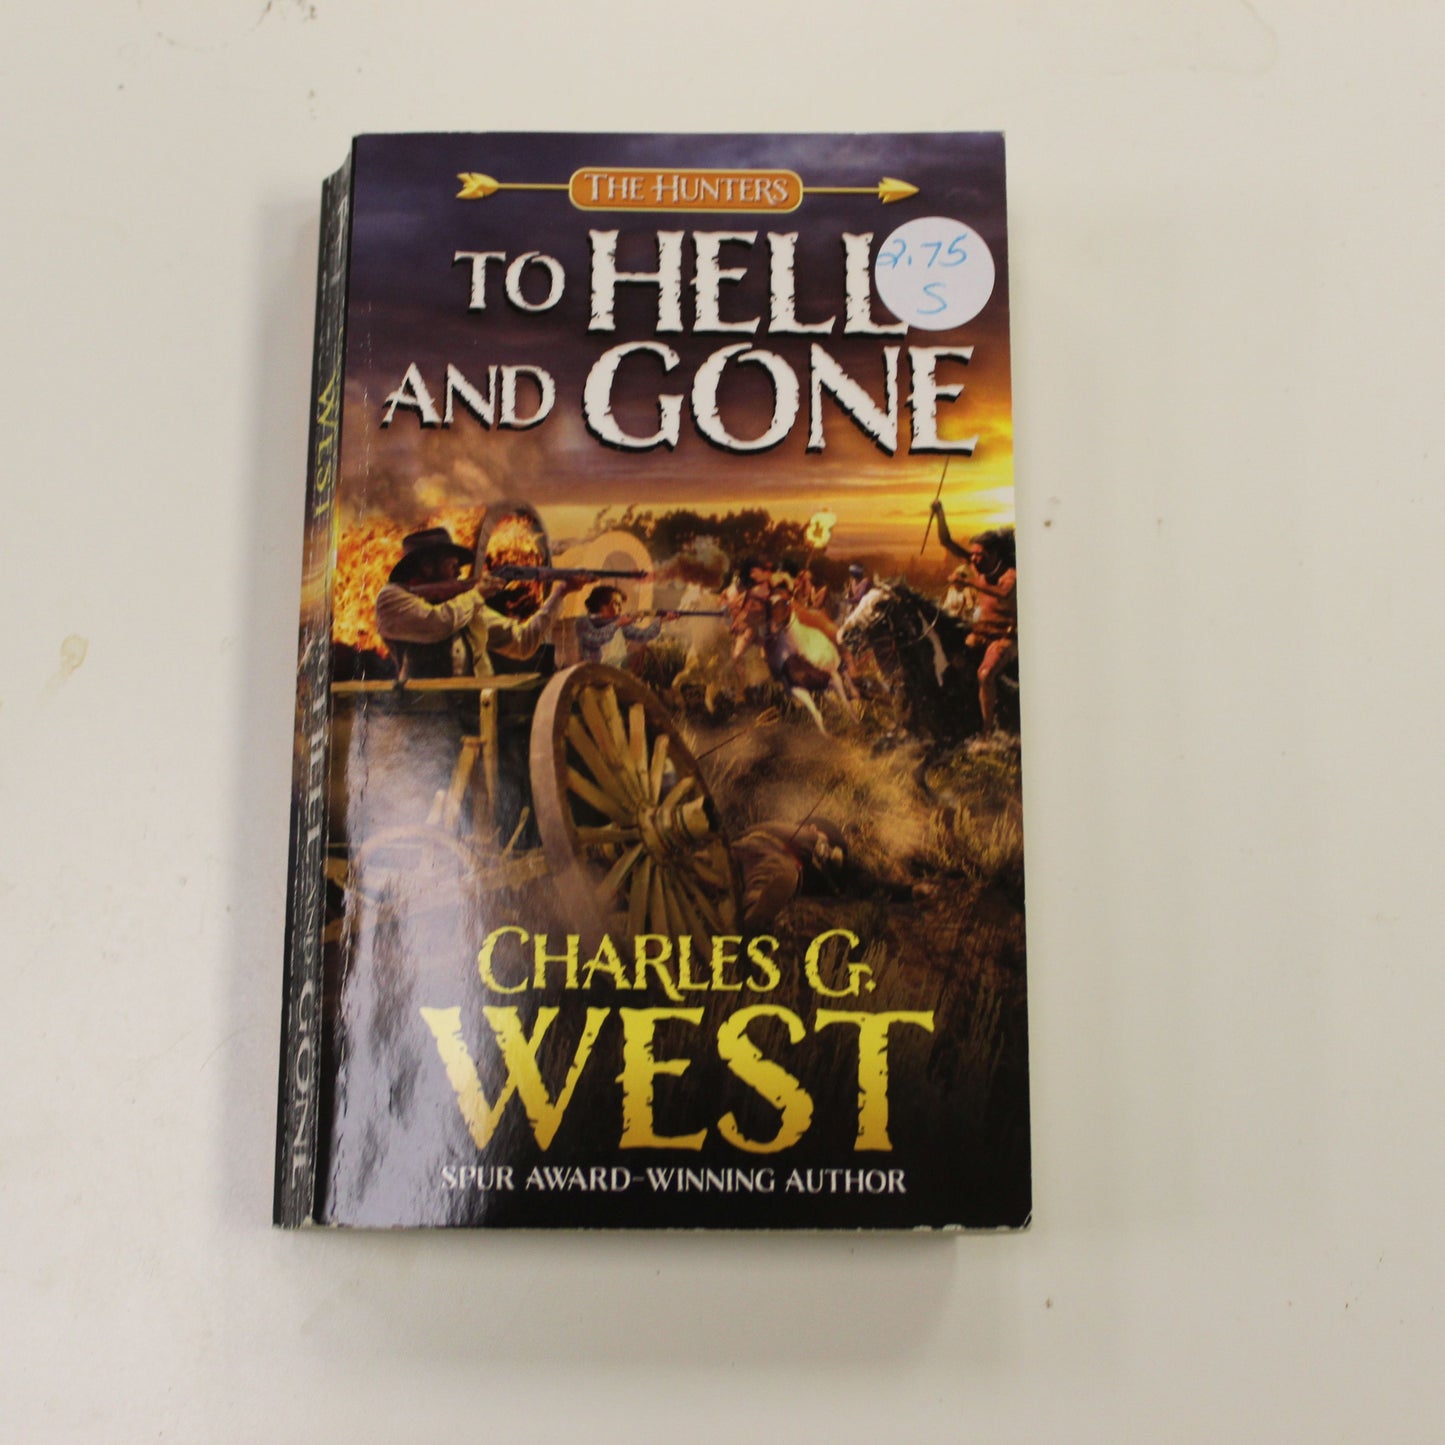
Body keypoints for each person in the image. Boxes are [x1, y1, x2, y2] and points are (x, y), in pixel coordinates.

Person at [374, 525, 576, 680]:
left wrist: (560, 593)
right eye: (452, 565)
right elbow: (439, 623)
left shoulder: (463, 602)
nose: (459, 572)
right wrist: (477, 593)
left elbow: (523, 642)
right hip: (425, 711)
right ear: (427, 567)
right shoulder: (392, 598)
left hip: (477, 707)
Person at [929, 502, 1018, 732]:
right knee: (951, 665)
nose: (974, 559)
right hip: (979, 633)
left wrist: (968, 582)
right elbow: (946, 542)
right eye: (973, 554)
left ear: (995, 553)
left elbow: (1004, 593)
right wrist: (940, 513)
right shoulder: (976, 565)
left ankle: (987, 733)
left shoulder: (1010, 574)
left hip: (1005, 638)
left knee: (985, 674)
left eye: (980, 554)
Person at [575, 585, 669, 667]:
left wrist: (660, 621)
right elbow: (595, 639)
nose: (620, 608)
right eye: (616, 604)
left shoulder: (618, 623)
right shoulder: (583, 622)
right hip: (592, 673)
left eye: (620, 604)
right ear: (602, 605)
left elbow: (643, 635)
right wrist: (617, 624)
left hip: (615, 673)